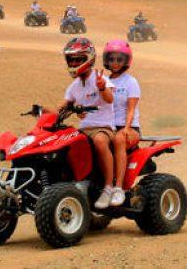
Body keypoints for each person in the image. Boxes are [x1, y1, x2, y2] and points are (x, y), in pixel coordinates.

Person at [59, 37, 117, 209]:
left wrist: (101, 87)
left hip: (103, 127)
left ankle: (108, 188)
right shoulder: (73, 86)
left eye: (78, 59)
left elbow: (109, 98)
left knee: (99, 142)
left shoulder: (101, 80)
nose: (74, 62)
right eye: (72, 59)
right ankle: (74, 183)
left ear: (89, 58)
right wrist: (43, 112)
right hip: (83, 129)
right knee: (64, 144)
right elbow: (62, 107)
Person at [104, 40, 140, 207]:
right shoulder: (103, 80)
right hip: (108, 126)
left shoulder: (130, 82)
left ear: (126, 61)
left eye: (119, 59)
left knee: (119, 139)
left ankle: (118, 188)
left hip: (130, 127)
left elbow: (131, 109)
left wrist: (126, 128)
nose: (115, 63)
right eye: (112, 59)